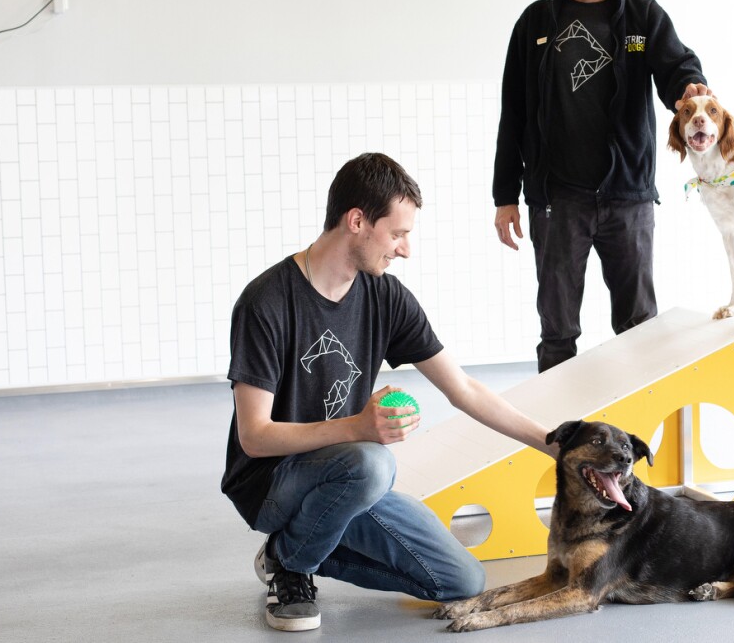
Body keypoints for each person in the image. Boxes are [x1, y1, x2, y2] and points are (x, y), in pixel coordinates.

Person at [221, 152, 555, 632]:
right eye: (397, 234)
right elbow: (254, 437)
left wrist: (555, 444)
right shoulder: (267, 302)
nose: (404, 250)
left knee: (461, 580)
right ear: (357, 221)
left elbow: (463, 389)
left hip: (347, 477)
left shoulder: (386, 297)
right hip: (271, 482)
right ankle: (294, 569)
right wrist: (358, 428)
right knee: (373, 461)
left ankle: (288, 551)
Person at [493, 0, 709, 372]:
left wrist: (687, 89)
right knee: (558, 332)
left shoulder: (642, 17)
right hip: (558, 198)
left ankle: (639, 433)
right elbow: (514, 111)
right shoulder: (535, 23)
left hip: (627, 196)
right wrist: (505, 194)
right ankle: (555, 437)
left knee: (639, 325)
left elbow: (677, 69)